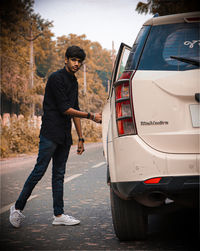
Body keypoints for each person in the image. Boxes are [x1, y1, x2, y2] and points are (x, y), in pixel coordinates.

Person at [9, 45, 102, 228]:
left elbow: (74, 110)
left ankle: (58, 215)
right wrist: (91, 116)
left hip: (65, 136)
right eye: (73, 60)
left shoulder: (74, 82)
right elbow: (64, 109)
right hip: (50, 133)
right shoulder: (55, 78)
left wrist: (81, 138)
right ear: (66, 59)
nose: (76, 64)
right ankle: (17, 208)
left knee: (59, 175)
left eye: (79, 62)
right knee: (39, 171)